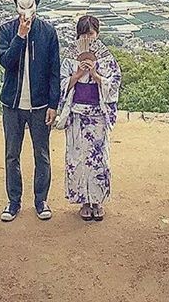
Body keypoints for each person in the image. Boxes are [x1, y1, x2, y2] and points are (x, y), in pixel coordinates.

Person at [0, 0, 61, 222]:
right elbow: (6, 62)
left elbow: (55, 71)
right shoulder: (6, 30)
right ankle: (14, 202)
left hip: (40, 104)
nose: (25, 2)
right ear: (15, 3)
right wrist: (20, 35)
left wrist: (53, 104)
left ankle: (40, 199)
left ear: (37, 2)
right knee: (12, 154)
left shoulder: (48, 32)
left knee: (41, 153)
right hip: (12, 104)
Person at [58, 15, 121, 221]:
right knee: (77, 159)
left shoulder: (106, 59)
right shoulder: (70, 59)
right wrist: (76, 75)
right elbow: (60, 85)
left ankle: (98, 200)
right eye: (83, 35)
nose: (87, 38)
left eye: (91, 34)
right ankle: (84, 201)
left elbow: (114, 84)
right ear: (78, 37)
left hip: (97, 116)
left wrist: (96, 76)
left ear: (97, 34)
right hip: (76, 114)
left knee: (99, 158)